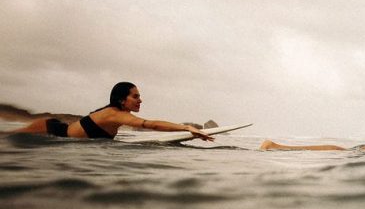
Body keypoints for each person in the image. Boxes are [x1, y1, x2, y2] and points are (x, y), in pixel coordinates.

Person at [12, 82, 214, 141]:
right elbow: (151, 124)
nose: (140, 100)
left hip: (57, 129)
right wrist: (187, 128)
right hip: (50, 129)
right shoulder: (115, 114)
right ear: (121, 99)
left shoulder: (117, 114)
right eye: (135, 96)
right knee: (8, 137)